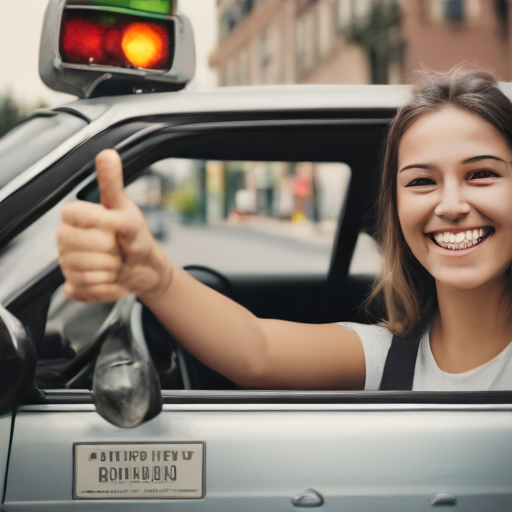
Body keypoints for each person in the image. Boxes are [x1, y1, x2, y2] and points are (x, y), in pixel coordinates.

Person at [57, 66, 512, 391]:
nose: (451, 205)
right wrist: (154, 275)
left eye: (482, 174)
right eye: (422, 181)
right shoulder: (387, 359)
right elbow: (257, 353)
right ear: (394, 210)